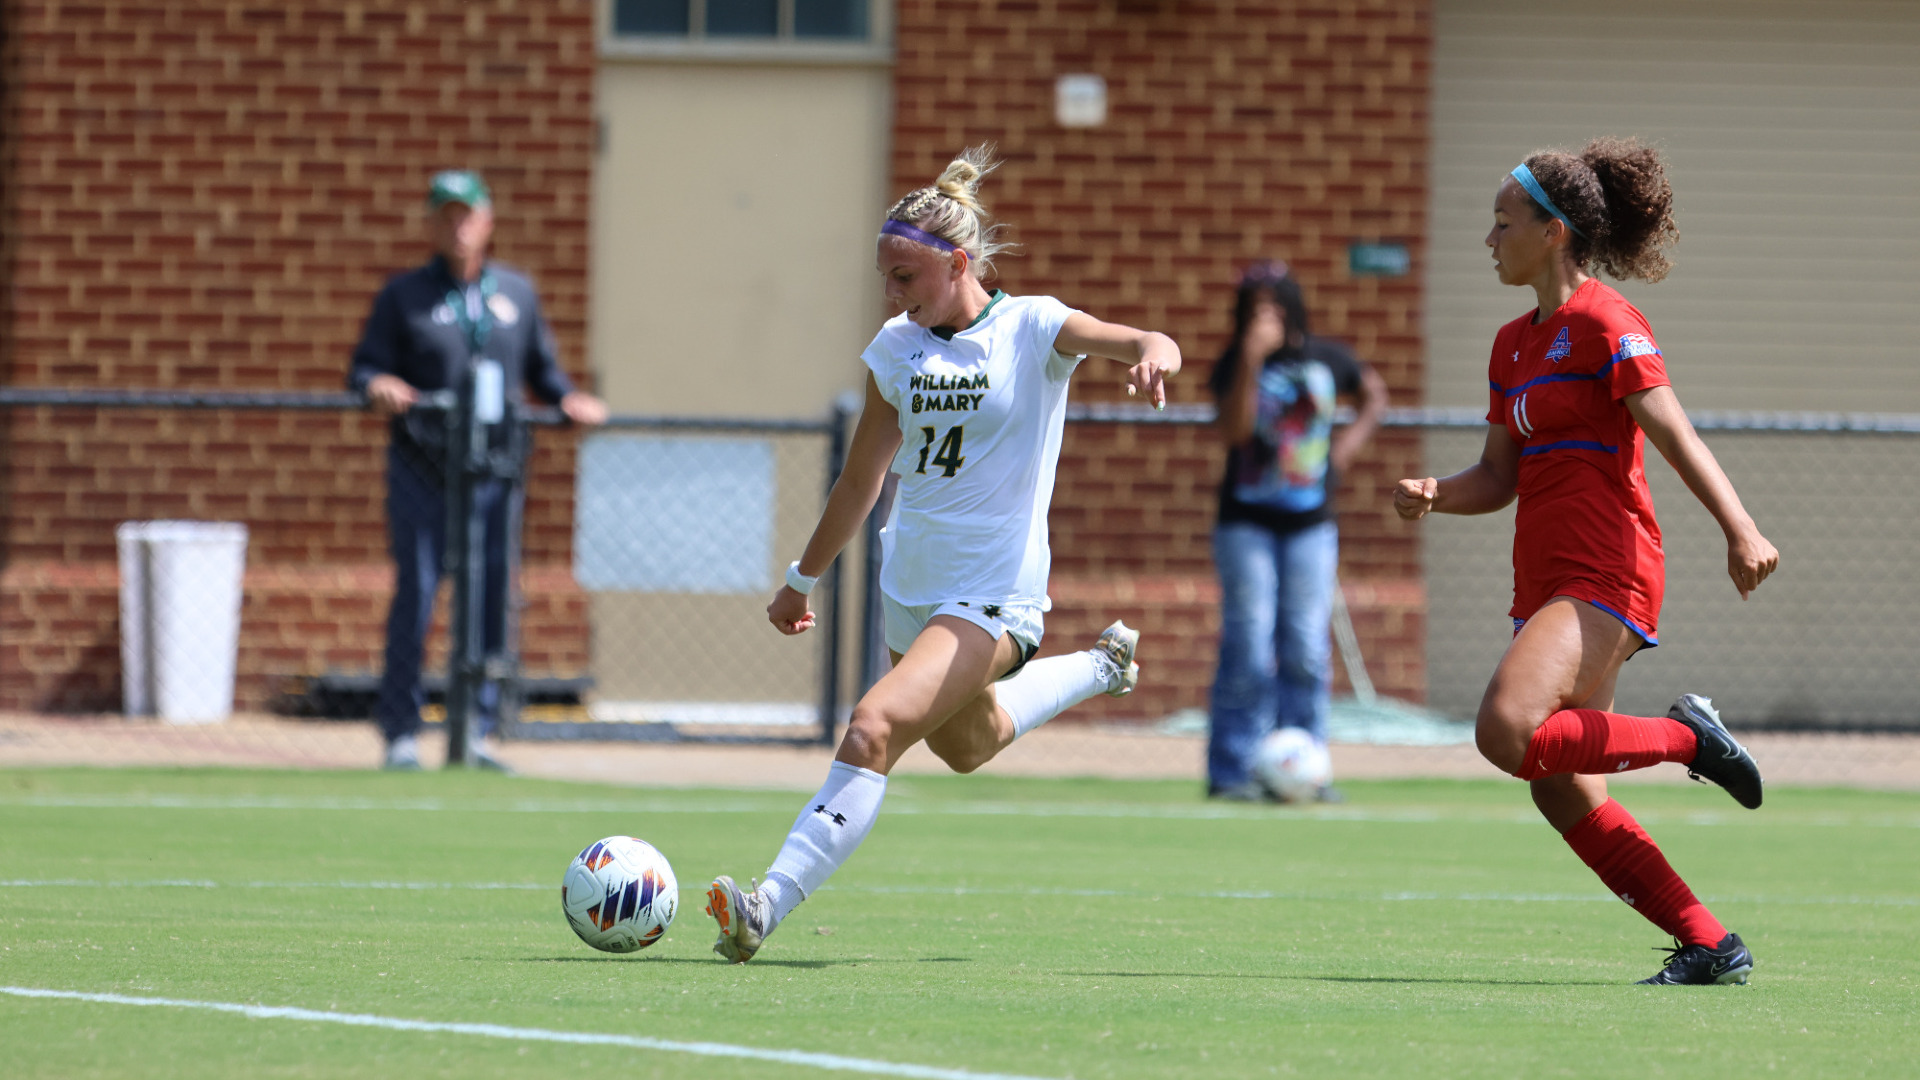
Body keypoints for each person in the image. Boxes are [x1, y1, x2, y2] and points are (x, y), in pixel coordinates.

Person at [703, 146, 1182, 963]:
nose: (892, 296)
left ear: (958, 264)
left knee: (872, 727)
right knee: (967, 746)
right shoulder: (898, 348)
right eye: (885, 279)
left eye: (905, 278)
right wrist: (799, 579)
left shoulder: (1032, 328)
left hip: (994, 592)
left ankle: (764, 905)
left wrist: (1152, 356)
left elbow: (1146, 336)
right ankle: (1101, 666)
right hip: (913, 585)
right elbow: (862, 479)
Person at [1394, 138, 1780, 985]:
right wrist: (1435, 493)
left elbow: (1673, 433)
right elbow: (1498, 476)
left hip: (1609, 567)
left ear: (1554, 232)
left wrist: (1740, 527)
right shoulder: (1511, 345)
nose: (1489, 239)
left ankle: (1689, 738)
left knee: (1506, 729)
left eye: (1503, 223)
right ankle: (1711, 944)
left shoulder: (1609, 322)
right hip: (1545, 577)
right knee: (1559, 783)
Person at [347, 170, 608, 771]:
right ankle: (401, 730)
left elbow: (544, 371)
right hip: (423, 468)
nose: (457, 225)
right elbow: (364, 368)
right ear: (431, 224)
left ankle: (480, 729)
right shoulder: (404, 295)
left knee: (492, 596)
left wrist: (569, 397)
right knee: (416, 593)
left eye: (467, 214)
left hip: (494, 474)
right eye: (445, 215)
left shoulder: (515, 292)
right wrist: (378, 383)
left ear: (487, 222)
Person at [1206, 261, 1387, 802]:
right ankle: (1233, 772)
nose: (1265, 316)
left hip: (1310, 525)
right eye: (1254, 308)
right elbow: (1235, 432)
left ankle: (1308, 769)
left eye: (1273, 306)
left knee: (1306, 647)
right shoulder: (1234, 363)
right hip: (1247, 524)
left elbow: (1374, 393)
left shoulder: (1327, 358)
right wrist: (1251, 357)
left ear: (1292, 308)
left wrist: (1345, 448)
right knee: (1249, 644)